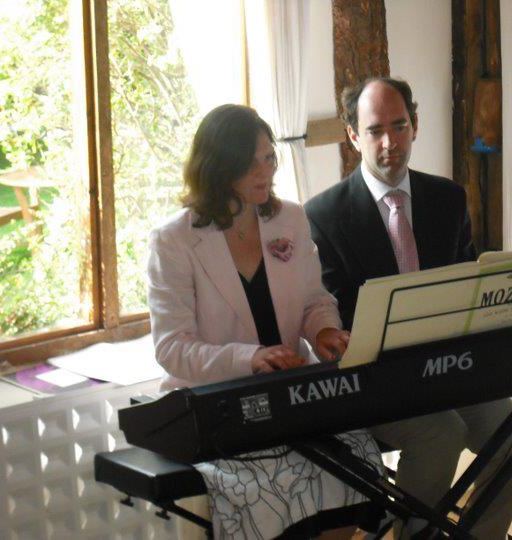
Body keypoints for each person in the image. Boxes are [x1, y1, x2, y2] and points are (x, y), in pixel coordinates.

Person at [304, 78, 512, 539]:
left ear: (415, 126)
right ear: (353, 136)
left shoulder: (447, 199)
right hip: (375, 380)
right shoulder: (323, 215)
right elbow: (336, 317)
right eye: (374, 131)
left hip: (449, 369)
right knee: (442, 434)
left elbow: (468, 291)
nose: (389, 142)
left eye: (400, 126)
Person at [147, 104, 383, 539]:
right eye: (250, 162)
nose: (266, 171)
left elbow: (314, 299)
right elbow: (172, 349)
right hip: (219, 408)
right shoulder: (174, 241)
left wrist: (325, 330)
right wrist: (250, 359)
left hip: (288, 396)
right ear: (218, 167)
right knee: (270, 485)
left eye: (270, 158)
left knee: (359, 458)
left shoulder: (289, 219)